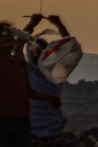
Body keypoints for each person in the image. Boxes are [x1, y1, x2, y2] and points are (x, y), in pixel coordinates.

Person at [0, 20, 61, 147]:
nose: (6, 36)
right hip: (1, 117)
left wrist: (48, 97)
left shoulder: (19, 61)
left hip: (22, 117)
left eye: (9, 33)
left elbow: (28, 91)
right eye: (1, 34)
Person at [22, 13, 73, 147]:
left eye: (42, 52)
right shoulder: (25, 71)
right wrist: (31, 25)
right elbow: (18, 44)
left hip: (54, 132)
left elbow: (69, 47)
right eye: (35, 52)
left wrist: (59, 25)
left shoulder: (56, 71)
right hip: (32, 133)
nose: (38, 55)